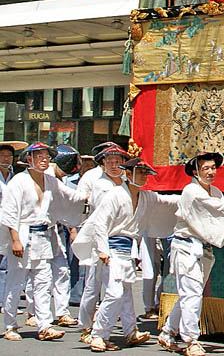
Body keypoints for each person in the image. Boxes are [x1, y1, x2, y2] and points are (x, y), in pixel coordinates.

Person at [73, 157, 180, 353]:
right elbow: (100, 223)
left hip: (128, 250)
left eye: (145, 173)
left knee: (126, 292)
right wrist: (102, 249)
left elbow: (168, 200)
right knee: (114, 293)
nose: (143, 177)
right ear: (128, 174)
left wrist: (192, 199)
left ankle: (130, 331)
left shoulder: (146, 197)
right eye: (139, 172)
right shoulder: (114, 195)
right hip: (111, 249)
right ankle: (98, 334)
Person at [0, 142, 87, 342]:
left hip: (44, 237)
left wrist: (90, 197)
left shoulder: (51, 180)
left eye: (47, 156)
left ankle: (45, 325)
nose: (44, 159)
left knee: (43, 283)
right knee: (15, 283)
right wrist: (15, 240)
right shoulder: (18, 181)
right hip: (23, 234)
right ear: (29, 159)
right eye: (39, 156)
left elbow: (70, 196)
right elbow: (10, 212)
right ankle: (10, 325)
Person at [159, 150, 224, 355]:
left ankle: (168, 331)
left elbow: (217, 214)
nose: (210, 172)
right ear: (196, 172)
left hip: (204, 248)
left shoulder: (217, 193)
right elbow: (214, 208)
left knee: (190, 293)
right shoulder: (191, 191)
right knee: (192, 293)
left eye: (213, 168)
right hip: (187, 246)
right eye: (205, 168)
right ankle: (191, 339)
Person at [77, 144, 129, 344]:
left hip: (119, 241)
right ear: (103, 164)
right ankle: (86, 326)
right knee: (93, 284)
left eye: (118, 162)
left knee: (116, 286)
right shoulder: (100, 184)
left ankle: (119, 326)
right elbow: (100, 219)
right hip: (100, 239)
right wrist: (101, 247)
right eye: (110, 162)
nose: (114, 165)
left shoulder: (125, 183)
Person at [49, 145, 83, 327]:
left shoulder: (58, 181)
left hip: (54, 229)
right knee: (34, 275)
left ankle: (62, 312)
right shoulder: (44, 177)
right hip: (33, 230)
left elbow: (69, 199)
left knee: (61, 270)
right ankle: (33, 313)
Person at [0, 141, 26, 310]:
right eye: (2, 156)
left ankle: (5, 299)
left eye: (9, 156)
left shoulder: (16, 176)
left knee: (7, 262)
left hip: (10, 222)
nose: (6, 159)